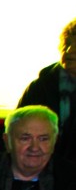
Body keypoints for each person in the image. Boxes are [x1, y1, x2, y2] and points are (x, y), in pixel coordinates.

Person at [17, 18, 76, 162]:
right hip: (43, 172)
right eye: (66, 43)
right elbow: (17, 134)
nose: (69, 51)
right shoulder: (40, 87)